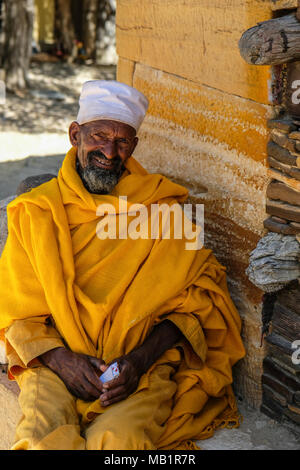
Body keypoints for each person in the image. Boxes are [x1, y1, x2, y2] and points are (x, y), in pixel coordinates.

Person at [0, 80, 245, 450]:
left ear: (134, 146)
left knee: (118, 441)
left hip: (139, 369)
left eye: (122, 141)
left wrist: (139, 360)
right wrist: (60, 358)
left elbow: (201, 302)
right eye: (99, 136)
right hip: (55, 362)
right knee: (39, 440)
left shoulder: (168, 209)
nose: (109, 152)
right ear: (74, 134)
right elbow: (17, 313)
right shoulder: (36, 211)